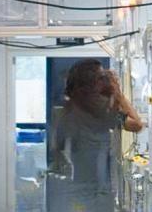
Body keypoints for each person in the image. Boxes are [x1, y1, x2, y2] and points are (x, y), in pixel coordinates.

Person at [53, 60, 142, 202]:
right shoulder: (99, 111)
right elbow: (136, 124)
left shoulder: (71, 111)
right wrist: (118, 94)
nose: (105, 81)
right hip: (92, 193)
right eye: (101, 77)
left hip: (82, 190)